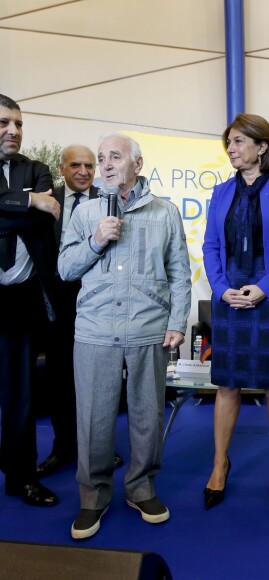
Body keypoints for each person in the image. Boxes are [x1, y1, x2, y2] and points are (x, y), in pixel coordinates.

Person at [58, 133, 191, 539]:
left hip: (148, 329)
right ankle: (93, 498)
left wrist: (177, 322)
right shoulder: (84, 213)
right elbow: (65, 269)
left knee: (148, 415)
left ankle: (141, 488)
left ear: (137, 163)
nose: (106, 165)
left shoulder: (165, 213)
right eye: (101, 158)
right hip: (95, 332)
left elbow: (180, 273)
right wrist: (97, 240)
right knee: (94, 420)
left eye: (115, 157)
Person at [202, 113, 269, 516]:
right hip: (228, 294)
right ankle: (219, 465)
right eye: (229, 142)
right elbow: (211, 246)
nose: (231, 148)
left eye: (240, 141)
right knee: (226, 385)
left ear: (262, 146)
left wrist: (263, 288)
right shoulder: (220, 192)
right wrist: (220, 287)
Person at [37, 145, 123, 478]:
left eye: (90, 164)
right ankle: (63, 447)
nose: (84, 171)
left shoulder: (111, 199)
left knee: (100, 381)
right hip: (56, 304)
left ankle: (100, 448)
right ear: (62, 167)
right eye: (76, 164)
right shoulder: (47, 200)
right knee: (59, 379)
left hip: (99, 303)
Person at [0, 93, 61, 507]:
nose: (14, 131)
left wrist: (31, 206)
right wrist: (26, 202)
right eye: (4, 122)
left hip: (20, 297)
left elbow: (45, 216)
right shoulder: (28, 186)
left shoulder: (36, 169)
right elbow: (31, 211)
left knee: (19, 395)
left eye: (19, 124)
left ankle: (20, 478)